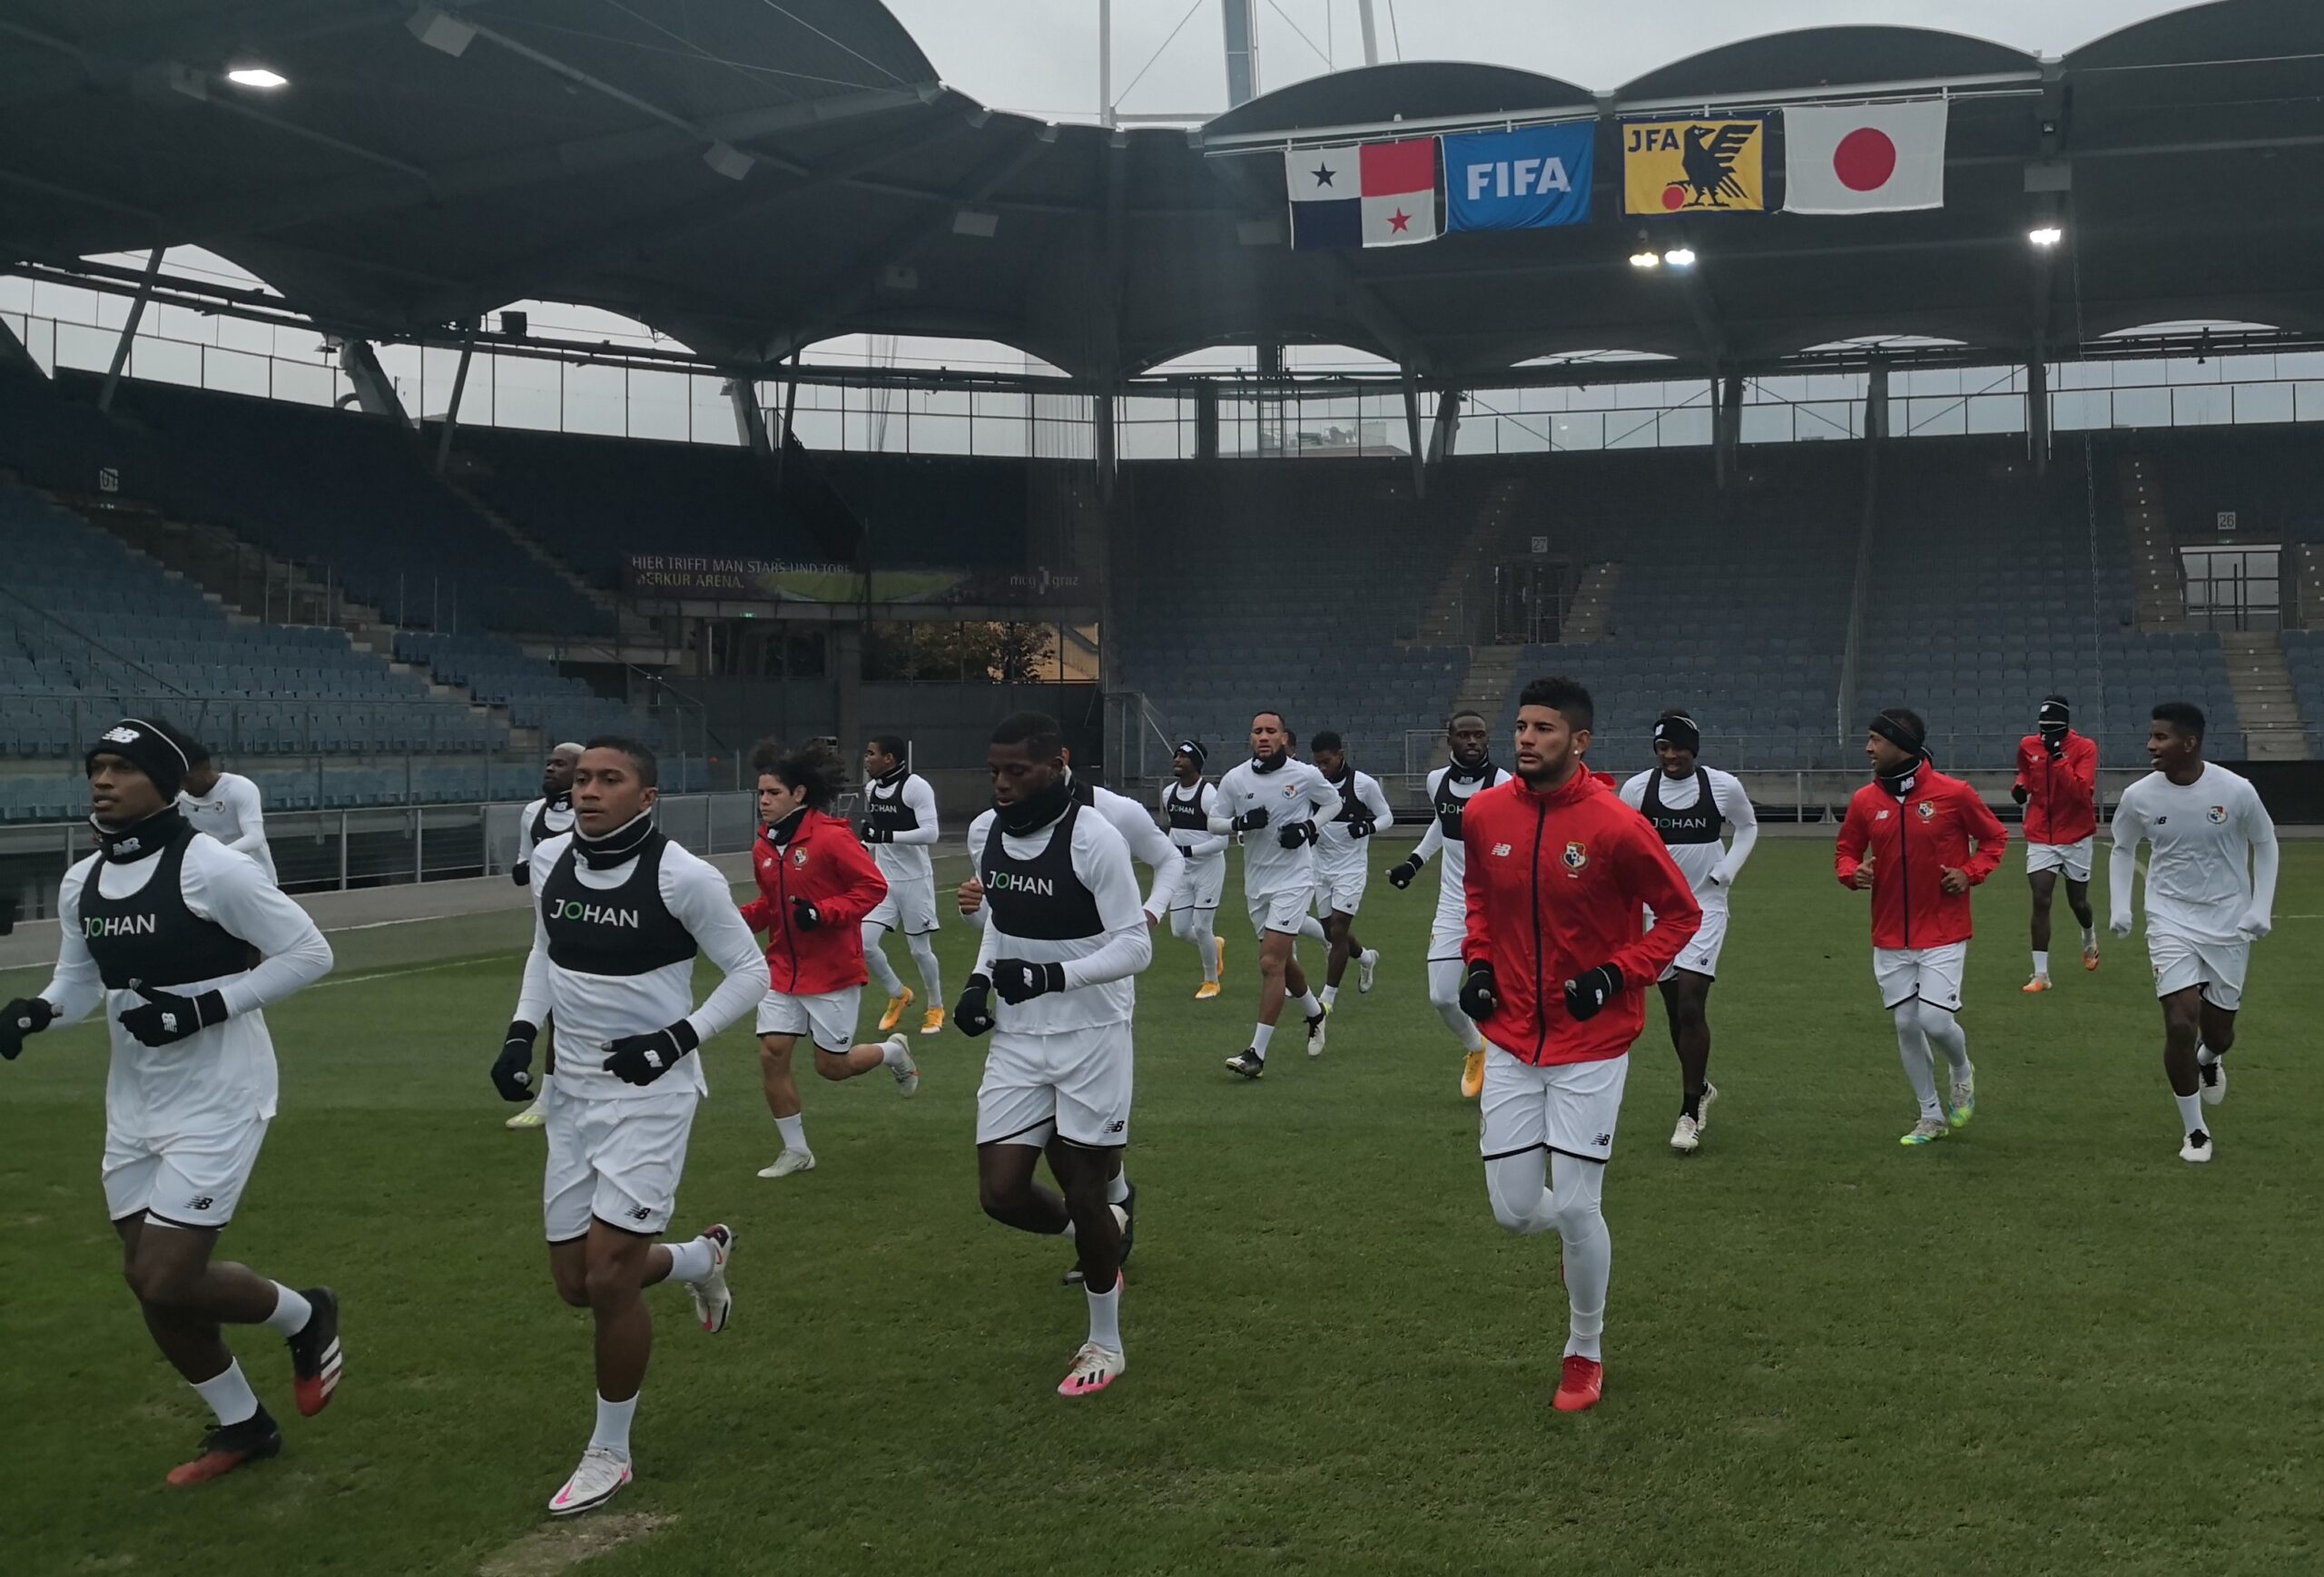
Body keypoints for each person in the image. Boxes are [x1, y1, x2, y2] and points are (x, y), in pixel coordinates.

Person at [3, 717, 340, 1485]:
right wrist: (37, 1012)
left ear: (163, 780)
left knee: (166, 1275)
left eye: (121, 767)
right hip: (134, 1100)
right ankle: (244, 1425)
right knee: (146, 1278)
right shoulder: (83, 879)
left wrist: (200, 1008)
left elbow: (310, 952)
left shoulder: (213, 866)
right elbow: (78, 983)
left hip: (222, 1093)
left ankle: (304, 1313)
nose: (102, 779)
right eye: (96, 766)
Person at [489, 736, 768, 1516]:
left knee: (611, 1278)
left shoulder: (685, 876)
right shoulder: (551, 859)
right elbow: (545, 951)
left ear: (647, 797)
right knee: (576, 1284)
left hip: (650, 1097)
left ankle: (610, 1451)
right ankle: (699, 1257)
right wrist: (521, 1032)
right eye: (582, 778)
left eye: (609, 779)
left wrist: (676, 1039)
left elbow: (752, 972)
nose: (588, 790)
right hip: (572, 1096)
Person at [1458, 678, 1701, 1414]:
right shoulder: (1484, 813)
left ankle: (1584, 1349)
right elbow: (1479, 899)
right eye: (1521, 726)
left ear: (1580, 740)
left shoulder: (1616, 823)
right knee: (1513, 1212)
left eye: (1544, 728)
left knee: (1577, 1203)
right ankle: (1575, 1235)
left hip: (1592, 1044)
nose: (1526, 739)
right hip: (1511, 1041)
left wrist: (1614, 974)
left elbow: (1680, 915)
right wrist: (1478, 964)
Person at [956, 712, 1150, 1395]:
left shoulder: (1094, 837)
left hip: (1093, 1034)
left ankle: (1105, 1342)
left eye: (1018, 771)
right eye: (995, 771)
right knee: (1001, 1193)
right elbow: (1002, 923)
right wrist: (979, 980)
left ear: (1056, 765)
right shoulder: (986, 832)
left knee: (1082, 1184)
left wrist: (1051, 976)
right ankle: (1098, 1231)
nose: (1003, 784)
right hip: (1018, 1035)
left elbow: (1136, 945)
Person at [740, 739, 919, 1180]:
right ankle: (796, 1151)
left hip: (832, 972)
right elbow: (771, 905)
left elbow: (873, 888)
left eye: (773, 793)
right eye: (760, 793)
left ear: (799, 793)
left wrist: (823, 913)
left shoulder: (832, 837)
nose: (764, 801)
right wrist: (731, 921)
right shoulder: (763, 846)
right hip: (782, 970)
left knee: (832, 1068)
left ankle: (893, 1052)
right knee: (772, 1054)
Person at [2107, 701, 2277, 1165]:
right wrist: (2121, 906)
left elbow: (2265, 842)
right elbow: (2122, 848)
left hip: (2229, 922)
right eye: (2151, 736)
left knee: (2219, 1032)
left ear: (2190, 742)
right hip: (2170, 918)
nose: (2151, 745)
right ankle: (2195, 1130)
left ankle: (2210, 1058)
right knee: (2180, 1022)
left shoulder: (2236, 791)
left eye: (2160, 737)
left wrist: (2260, 907)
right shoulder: (2139, 796)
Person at [1835, 709, 2008, 1147]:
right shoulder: (1864, 801)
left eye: (1875, 739)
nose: (1868, 748)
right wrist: (1853, 873)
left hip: (1944, 930)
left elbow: (1995, 839)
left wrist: (1969, 873)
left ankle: (1962, 1070)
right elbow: (1846, 852)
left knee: (1934, 1020)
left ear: (1902, 743)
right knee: (1906, 1026)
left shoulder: (1955, 793)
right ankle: (1930, 1116)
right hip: (1890, 934)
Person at [1618, 709, 1758, 1154]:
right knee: (1676, 1012)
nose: (1671, 756)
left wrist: (1726, 870)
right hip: (1656, 913)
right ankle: (1702, 1086)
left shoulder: (1722, 786)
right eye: (1663, 747)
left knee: (1692, 1001)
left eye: (1679, 747)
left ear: (1693, 749)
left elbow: (1748, 826)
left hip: (1704, 908)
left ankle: (1689, 1111)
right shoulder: (1637, 790)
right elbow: (1620, 841)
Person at [1384, 709, 1511, 1099]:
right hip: (1454, 905)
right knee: (1441, 996)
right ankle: (1476, 1047)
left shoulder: (1504, 784)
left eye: (1479, 735)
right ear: (1449, 739)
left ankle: (1506, 1076)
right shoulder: (1436, 780)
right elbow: (1443, 822)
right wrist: (1414, 862)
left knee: (1503, 998)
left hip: (1499, 909)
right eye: (1464, 735)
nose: (1472, 741)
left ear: (1487, 739)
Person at [1209, 710, 1340, 1078]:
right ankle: (1315, 1012)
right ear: (1251, 738)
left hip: (1295, 880)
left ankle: (1256, 1054)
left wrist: (1308, 827)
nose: (1263, 736)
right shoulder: (1235, 779)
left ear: (1284, 737)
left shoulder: (1304, 775)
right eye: (1257, 731)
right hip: (1257, 883)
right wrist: (1239, 823)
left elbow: (1333, 802)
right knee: (1281, 962)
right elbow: (1213, 822)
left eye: (1271, 731)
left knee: (1269, 963)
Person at [504, 741, 586, 1131]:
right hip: (549, 930)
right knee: (556, 1014)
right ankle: (549, 1098)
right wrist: (525, 868)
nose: (551, 768)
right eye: (549, 762)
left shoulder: (592, 817)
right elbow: (524, 861)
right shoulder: (532, 813)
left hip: (594, 931)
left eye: (561, 764)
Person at [857, 735, 946, 1037]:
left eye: (871, 753)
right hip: (883, 880)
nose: (866, 759)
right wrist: (862, 848)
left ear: (889, 758)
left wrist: (885, 836)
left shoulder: (916, 787)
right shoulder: (871, 789)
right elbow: (875, 833)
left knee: (920, 951)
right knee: (864, 943)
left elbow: (931, 833)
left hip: (915, 881)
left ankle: (936, 1006)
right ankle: (898, 994)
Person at [2014, 697, 2101, 991]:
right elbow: (2027, 771)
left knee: (2078, 902)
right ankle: (2041, 974)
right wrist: (2021, 786)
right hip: (2041, 833)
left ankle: (2088, 935)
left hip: (2076, 835)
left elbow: (2081, 792)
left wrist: (2059, 757)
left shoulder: (2085, 748)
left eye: (2052, 730)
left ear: (2064, 727)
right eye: (2043, 729)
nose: (2045, 735)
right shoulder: (2028, 745)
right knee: (2041, 898)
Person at [1307, 731, 1393, 1010]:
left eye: (1327, 761)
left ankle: (1327, 998)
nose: (1322, 768)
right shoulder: (1313, 783)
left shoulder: (1363, 784)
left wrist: (1367, 827)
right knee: (1331, 932)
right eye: (1318, 763)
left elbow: (1387, 817)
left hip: (1351, 868)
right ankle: (1366, 958)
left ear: (1340, 755)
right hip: (1320, 866)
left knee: (1339, 927)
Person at [1159, 738, 1228, 999]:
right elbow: (1175, 830)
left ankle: (1211, 981)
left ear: (1196, 763)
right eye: (1176, 755)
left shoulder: (1209, 795)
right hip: (1182, 870)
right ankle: (1215, 945)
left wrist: (1189, 851)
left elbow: (1222, 842)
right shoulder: (1168, 793)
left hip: (1209, 869)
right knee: (1179, 930)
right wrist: (1169, 852)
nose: (1177, 760)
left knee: (1201, 927)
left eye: (1184, 756)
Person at [177, 741, 276, 885]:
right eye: (181, 782)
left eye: (188, 780)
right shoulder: (183, 800)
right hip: (217, 879)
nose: (184, 786)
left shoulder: (240, 788)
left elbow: (255, 838)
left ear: (203, 768)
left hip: (256, 876)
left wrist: (215, 856)